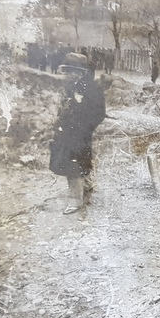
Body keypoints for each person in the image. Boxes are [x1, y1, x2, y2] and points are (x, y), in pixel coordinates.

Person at [49, 72, 106, 214]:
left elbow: (99, 113)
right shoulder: (69, 85)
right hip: (67, 132)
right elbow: (64, 106)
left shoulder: (92, 87)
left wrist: (86, 128)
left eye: (72, 70)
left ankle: (76, 200)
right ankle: (86, 187)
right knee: (74, 162)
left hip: (81, 134)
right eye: (67, 70)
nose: (69, 74)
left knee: (76, 163)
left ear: (80, 70)